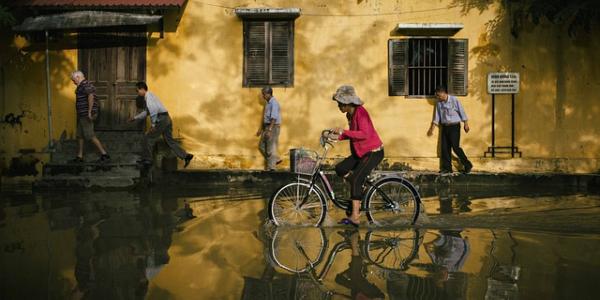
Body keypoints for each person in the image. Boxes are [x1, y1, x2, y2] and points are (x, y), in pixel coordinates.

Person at [332, 85, 384, 227]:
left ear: (348, 103)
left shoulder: (361, 113)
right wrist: (338, 137)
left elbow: (364, 134)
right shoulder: (350, 114)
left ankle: (355, 216)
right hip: (360, 152)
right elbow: (353, 133)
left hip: (373, 151)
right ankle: (359, 187)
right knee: (340, 169)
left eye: (340, 103)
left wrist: (344, 131)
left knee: (355, 180)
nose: (339, 106)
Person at [128, 82, 193, 168]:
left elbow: (154, 110)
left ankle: (148, 160)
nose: (138, 93)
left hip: (161, 119)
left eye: (137, 90)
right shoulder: (151, 96)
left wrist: (153, 125)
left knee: (148, 137)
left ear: (142, 89)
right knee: (169, 140)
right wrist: (135, 118)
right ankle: (186, 156)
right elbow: (147, 112)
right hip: (166, 118)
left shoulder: (149, 97)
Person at [427, 86, 473, 174]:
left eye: (438, 95)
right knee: (445, 148)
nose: (438, 97)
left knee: (455, 147)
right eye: (437, 96)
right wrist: (431, 129)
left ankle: (467, 165)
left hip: (454, 127)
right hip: (445, 127)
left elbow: (461, 111)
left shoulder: (454, 100)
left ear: (443, 93)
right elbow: (437, 117)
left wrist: (466, 124)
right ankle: (447, 168)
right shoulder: (439, 103)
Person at [70, 71, 110, 163]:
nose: (73, 82)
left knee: (90, 135)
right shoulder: (82, 85)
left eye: (73, 80)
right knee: (80, 135)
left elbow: (90, 96)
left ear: (78, 77)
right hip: (82, 115)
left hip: (86, 115)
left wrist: (89, 111)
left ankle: (104, 154)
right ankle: (79, 157)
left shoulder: (85, 84)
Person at [255, 86, 282, 171]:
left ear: (268, 94)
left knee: (270, 148)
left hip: (273, 127)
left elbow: (274, 117)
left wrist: (269, 130)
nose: (262, 96)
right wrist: (261, 129)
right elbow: (265, 117)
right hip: (267, 126)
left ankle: (271, 168)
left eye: (263, 94)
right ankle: (276, 159)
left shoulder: (274, 103)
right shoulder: (268, 103)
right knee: (261, 146)